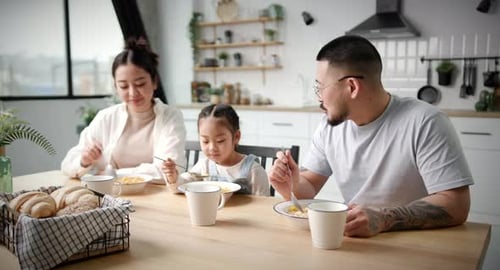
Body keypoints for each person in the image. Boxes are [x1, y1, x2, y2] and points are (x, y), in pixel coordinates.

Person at [269, 35, 473, 237]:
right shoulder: (329, 127)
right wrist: (290, 184)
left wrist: (385, 218)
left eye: (320, 88)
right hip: (355, 242)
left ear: (352, 87)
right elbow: (310, 186)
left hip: (415, 244)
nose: (319, 97)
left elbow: (456, 205)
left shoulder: (425, 122)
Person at [61, 37, 186, 183]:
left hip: (155, 196)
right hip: (110, 196)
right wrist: (84, 161)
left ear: (154, 82)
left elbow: (168, 170)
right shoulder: (106, 117)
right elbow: (67, 165)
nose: (133, 93)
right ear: (116, 87)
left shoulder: (170, 117)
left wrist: (112, 174)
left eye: (140, 84)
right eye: (124, 86)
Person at [164, 104, 270, 196]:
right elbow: (181, 186)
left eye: (220, 141)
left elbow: (263, 206)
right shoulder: (204, 166)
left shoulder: (253, 171)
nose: (212, 148)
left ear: (236, 137)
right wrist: (173, 177)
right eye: (205, 141)